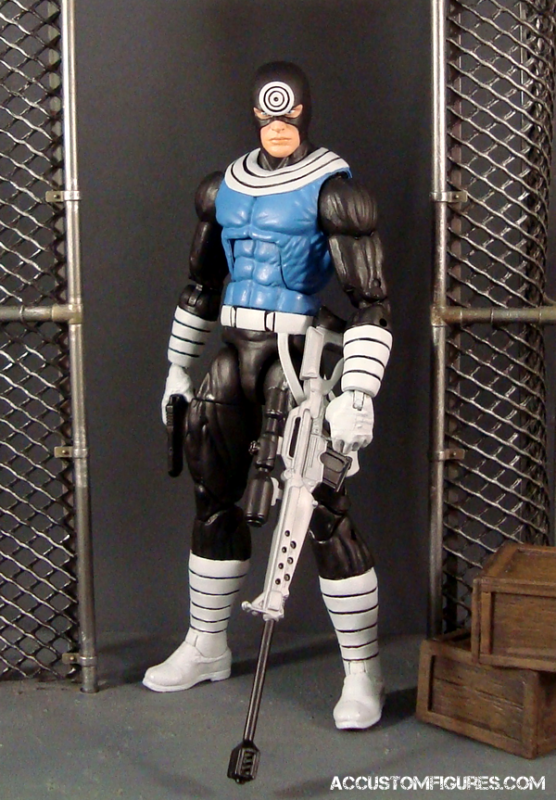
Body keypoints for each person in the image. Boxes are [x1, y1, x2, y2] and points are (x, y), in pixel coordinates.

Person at [143, 61, 392, 730]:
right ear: (254, 115)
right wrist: (177, 369)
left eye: (290, 115)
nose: (279, 127)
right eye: (268, 116)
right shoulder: (221, 190)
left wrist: (357, 391)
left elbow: (371, 301)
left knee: (322, 509)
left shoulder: (335, 193)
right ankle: (206, 643)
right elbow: (200, 287)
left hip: (299, 361)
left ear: (306, 112)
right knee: (212, 496)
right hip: (233, 358)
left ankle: (362, 672)